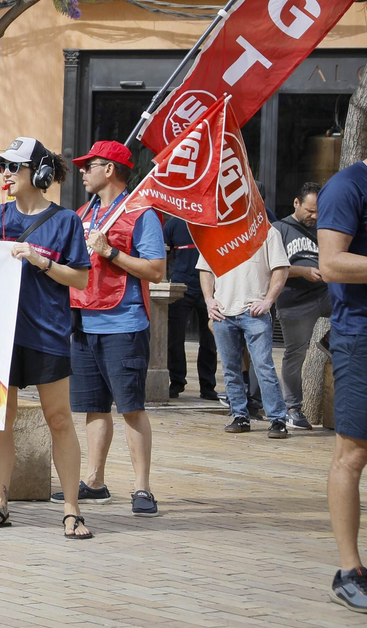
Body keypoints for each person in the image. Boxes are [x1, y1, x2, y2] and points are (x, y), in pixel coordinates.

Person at [0, 139, 94, 539]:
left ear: (38, 173)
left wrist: (43, 261)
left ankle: (72, 509)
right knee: (0, 419)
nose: (5, 173)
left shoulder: (66, 220)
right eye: (2, 166)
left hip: (47, 332)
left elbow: (82, 278)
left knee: (58, 418)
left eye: (15, 167)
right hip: (0, 335)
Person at [314, 95, 367, 614]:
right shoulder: (348, 186)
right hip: (364, 336)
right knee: (354, 452)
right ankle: (350, 570)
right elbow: (332, 264)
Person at [67, 140, 165, 516]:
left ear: (109, 169)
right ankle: (94, 481)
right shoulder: (81, 213)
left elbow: (156, 270)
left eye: (88, 165)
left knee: (131, 407)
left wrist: (111, 252)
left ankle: (142, 488)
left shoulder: (141, 214)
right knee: (94, 407)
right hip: (83, 319)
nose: (81, 171)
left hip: (123, 323)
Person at [200, 224, 290, 438]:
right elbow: (205, 268)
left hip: (254, 312)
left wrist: (268, 301)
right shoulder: (216, 231)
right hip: (223, 311)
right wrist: (208, 300)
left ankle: (278, 419)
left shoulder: (268, 231)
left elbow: (282, 268)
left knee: (263, 366)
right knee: (230, 368)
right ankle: (239, 415)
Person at [273, 183, 326, 430]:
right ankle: (292, 407)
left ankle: (332, 342)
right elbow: (269, 268)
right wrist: (303, 271)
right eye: (309, 210)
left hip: (325, 292)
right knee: (295, 354)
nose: (314, 216)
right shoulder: (279, 229)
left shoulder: (324, 228)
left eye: (318, 211)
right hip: (294, 302)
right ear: (296, 203)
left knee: (358, 305)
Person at [162, 217, 219, 400]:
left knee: (210, 339)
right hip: (180, 288)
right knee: (175, 338)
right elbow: (162, 254)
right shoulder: (174, 224)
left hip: (210, 289)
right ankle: (177, 382)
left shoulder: (214, 221)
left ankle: (208, 385)